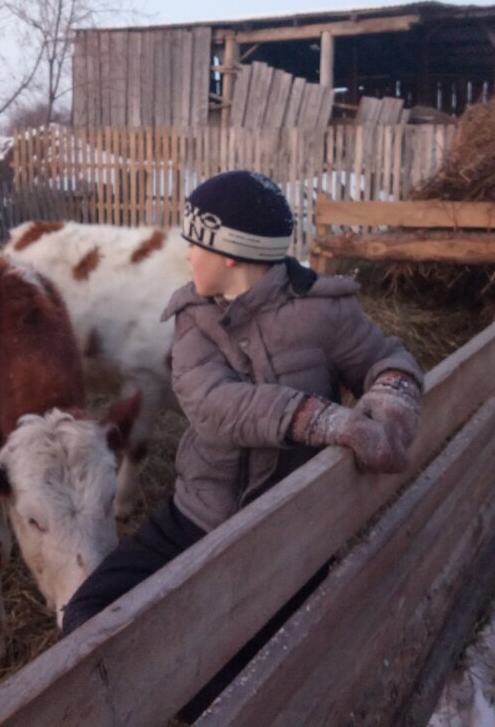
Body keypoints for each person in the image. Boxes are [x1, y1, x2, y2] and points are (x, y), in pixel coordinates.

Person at [61, 169, 423, 645]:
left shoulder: (325, 309)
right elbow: (212, 405)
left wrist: (391, 398)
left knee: (265, 643)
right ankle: (175, 692)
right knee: (88, 612)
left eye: (196, 243)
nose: (187, 253)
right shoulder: (193, 318)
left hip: (289, 526)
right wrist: (322, 419)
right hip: (199, 511)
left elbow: (385, 357)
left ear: (231, 254)